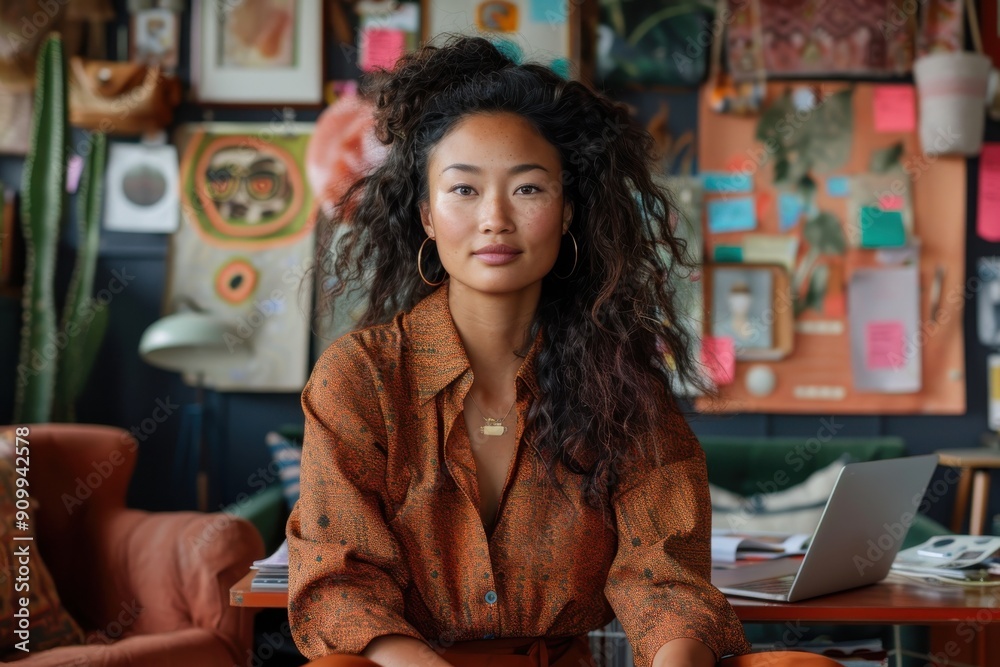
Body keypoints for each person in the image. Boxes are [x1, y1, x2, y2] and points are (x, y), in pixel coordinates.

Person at [287, 36, 841, 667]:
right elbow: (339, 583)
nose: (495, 218)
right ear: (427, 216)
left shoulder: (620, 379)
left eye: (527, 189)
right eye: (463, 190)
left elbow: (663, 572)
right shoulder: (359, 376)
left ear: (569, 211)